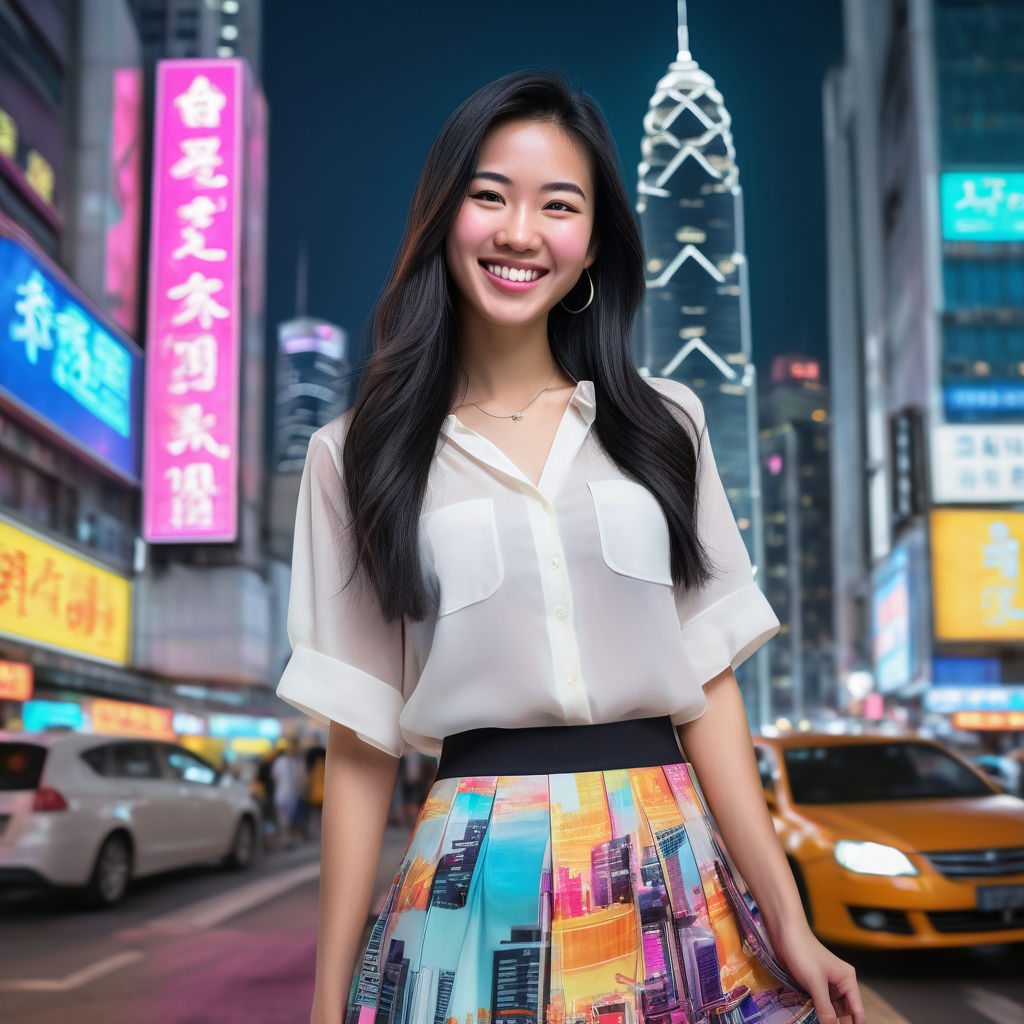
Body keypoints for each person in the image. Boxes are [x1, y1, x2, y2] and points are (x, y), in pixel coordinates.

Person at [276, 70, 864, 1024]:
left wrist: (788, 921)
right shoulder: (356, 455)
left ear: (591, 244)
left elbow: (709, 687)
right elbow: (359, 743)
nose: (520, 232)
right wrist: (324, 1000)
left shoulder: (666, 423)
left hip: (671, 862)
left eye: (558, 205)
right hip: (475, 879)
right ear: (444, 216)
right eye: (490, 196)